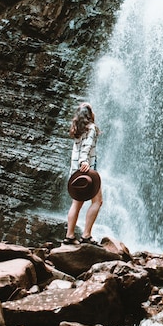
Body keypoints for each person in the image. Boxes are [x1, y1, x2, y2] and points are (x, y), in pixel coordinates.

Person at [64, 102, 103, 245]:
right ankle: (86, 235)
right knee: (98, 201)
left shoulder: (77, 129)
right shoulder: (91, 128)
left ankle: (69, 236)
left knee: (76, 203)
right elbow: (85, 149)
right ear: (89, 115)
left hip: (75, 173)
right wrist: (84, 162)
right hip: (86, 170)